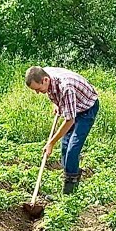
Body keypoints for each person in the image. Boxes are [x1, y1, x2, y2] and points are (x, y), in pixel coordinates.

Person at [25, 66, 99, 195]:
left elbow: (69, 120)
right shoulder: (44, 73)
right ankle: (70, 173)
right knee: (65, 145)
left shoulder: (66, 88)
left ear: (46, 80)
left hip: (86, 108)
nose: (37, 92)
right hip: (72, 104)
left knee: (73, 148)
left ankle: (70, 188)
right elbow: (53, 92)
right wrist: (57, 103)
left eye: (38, 89)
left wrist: (51, 143)